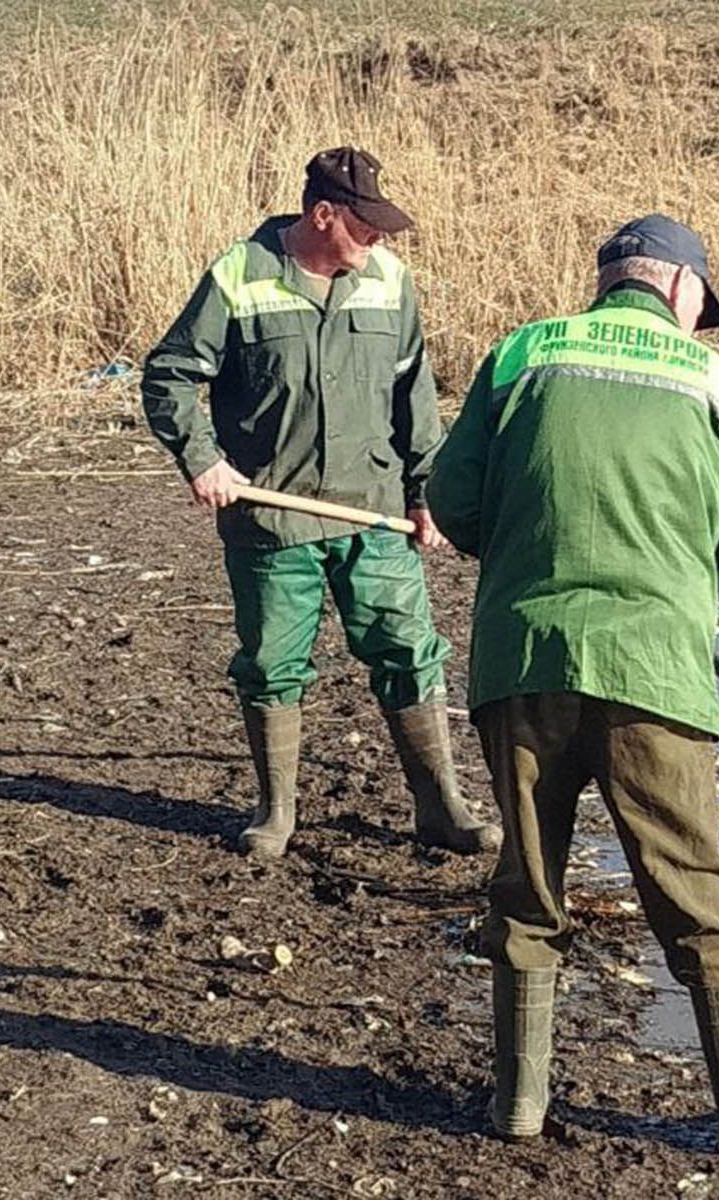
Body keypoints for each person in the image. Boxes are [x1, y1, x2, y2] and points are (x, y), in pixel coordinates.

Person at [426, 215, 719, 1152]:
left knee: (527, 880)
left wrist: (522, 556)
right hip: (655, 675)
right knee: (692, 885)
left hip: (522, 665)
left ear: (610, 282)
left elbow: (451, 502)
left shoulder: (522, 355)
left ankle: (518, 1105)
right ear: (682, 292)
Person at [141, 147, 498, 860]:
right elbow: (170, 374)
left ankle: (442, 809)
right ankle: (276, 813)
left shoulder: (388, 282)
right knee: (272, 663)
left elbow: (414, 398)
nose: (379, 241)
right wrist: (203, 459)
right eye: (366, 227)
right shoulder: (240, 276)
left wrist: (426, 491)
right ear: (323, 213)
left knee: (408, 652)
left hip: (373, 512)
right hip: (272, 518)